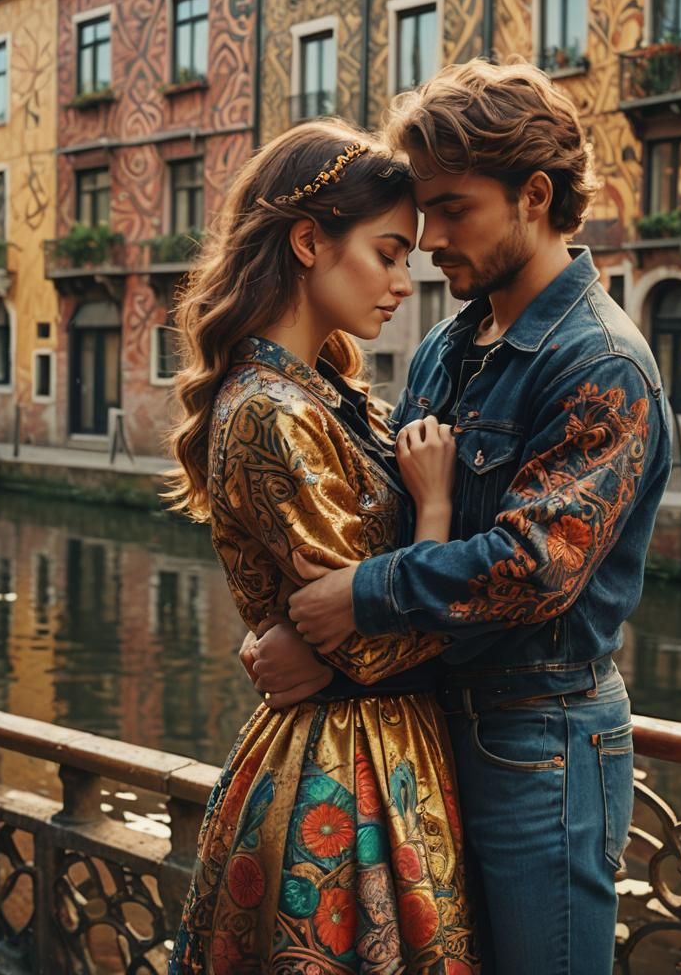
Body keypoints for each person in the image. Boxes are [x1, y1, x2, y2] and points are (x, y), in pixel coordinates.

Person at [247, 60, 674, 974]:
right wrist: (319, 643)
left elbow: (534, 566)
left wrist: (356, 601)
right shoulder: (448, 345)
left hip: (541, 746)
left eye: (451, 209)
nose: (430, 238)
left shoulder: (600, 363)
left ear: (534, 196)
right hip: (424, 724)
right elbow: (388, 515)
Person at [165, 120, 480, 974]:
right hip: (345, 768)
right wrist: (436, 508)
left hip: (381, 745)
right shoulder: (271, 410)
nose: (403, 282)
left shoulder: (325, 393)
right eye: (387, 253)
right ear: (309, 242)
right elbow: (370, 638)